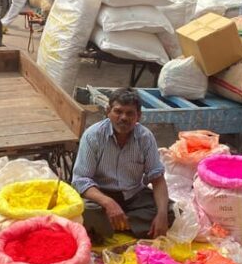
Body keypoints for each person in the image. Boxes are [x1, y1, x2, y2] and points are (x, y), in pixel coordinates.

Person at [72, 88, 170, 242]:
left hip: (133, 196)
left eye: (130, 113)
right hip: (101, 196)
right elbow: (80, 180)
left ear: (138, 116)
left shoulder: (145, 138)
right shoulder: (93, 136)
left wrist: (162, 215)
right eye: (118, 111)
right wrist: (108, 203)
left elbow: (157, 178)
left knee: (169, 211)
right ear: (108, 112)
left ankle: (108, 227)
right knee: (83, 210)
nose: (123, 118)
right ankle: (128, 225)